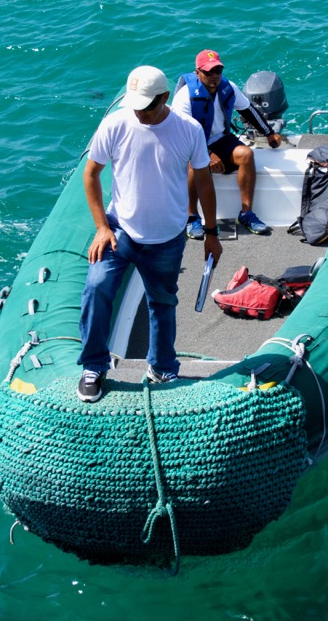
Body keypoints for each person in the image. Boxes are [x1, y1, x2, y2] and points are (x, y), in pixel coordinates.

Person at [76, 65, 224, 403]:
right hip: (120, 231)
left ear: (164, 98)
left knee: (162, 303)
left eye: (147, 106)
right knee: (97, 287)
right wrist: (101, 227)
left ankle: (161, 367)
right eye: (135, 105)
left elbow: (203, 181)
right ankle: (93, 366)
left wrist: (211, 233)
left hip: (168, 239)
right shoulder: (115, 124)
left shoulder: (188, 130)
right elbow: (91, 174)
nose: (140, 112)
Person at [171, 49, 283, 238]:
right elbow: (181, 133)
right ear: (197, 72)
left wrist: (269, 133)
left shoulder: (228, 87)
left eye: (218, 71)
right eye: (208, 72)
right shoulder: (185, 96)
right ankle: (191, 217)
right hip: (193, 145)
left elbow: (248, 110)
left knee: (246, 154)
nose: (214, 76)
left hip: (221, 140)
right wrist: (206, 154)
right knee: (193, 165)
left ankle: (246, 213)